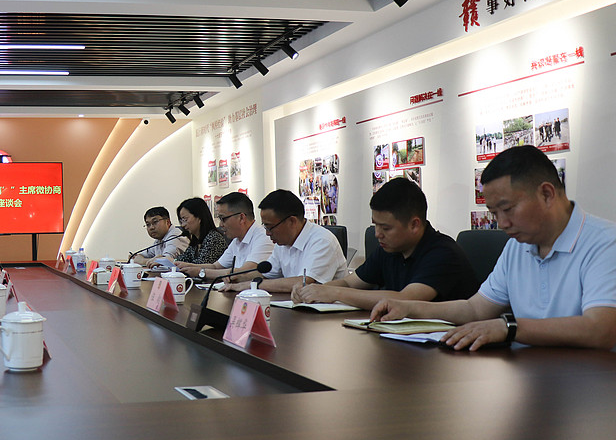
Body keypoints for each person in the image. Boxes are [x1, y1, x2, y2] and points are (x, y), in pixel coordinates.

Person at [371, 146, 616, 351]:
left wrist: (509, 327)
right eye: (494, 213)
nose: (502, 223)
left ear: (547, 194)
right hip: (528, 377)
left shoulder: (604, 243)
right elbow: (475, 308)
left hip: (589, 386)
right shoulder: (517, 247)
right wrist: (408, 307)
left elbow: (601, 329)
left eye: (507, 209)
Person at [292, 177, 477, 310]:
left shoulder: (443, 252)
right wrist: (313, 291)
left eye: (386, 228)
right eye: (375, 225)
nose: (377, 234)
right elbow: (350, 284)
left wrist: (333, 294)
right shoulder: (390, 248)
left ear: (414, 224)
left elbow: (405, 299)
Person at [228, 190, 347, 293]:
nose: (267, 233)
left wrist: (253, 285)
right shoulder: (282, 243)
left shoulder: (322, 241)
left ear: (292, 221)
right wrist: (238, 277)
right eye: (265, 227)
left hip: (328, 316)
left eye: (270, 227)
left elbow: (304, 282)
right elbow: (266, 273)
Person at [175, 192, 274, 281]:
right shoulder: (237, 240)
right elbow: (216, 267)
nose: (221, 224)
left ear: (241, 218)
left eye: (223, 219)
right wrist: (188, 266)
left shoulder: (263, 237)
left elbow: (244, 272)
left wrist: (201, 272)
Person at [169, 197, 228, 266]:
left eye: (185, 219)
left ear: (199, 217)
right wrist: (167, 259)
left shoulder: (214, 238)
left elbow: (200, 266)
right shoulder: (196, 241)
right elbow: (183, 259)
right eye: (181, 221)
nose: (183, 225)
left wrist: (173, 261)